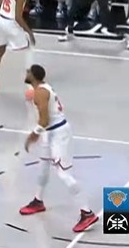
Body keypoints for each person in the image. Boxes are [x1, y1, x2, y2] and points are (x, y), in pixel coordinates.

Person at [21, 64, 99, 233]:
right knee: (43, 166)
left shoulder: (40, 92)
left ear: (34, 76)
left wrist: (33, 135)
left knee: (64, 174)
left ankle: (87, 213)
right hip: (49, 133)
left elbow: (44, 121)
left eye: (28, 72)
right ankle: (38, 200)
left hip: (58, 134)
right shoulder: (42, 88)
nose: (25, 73)